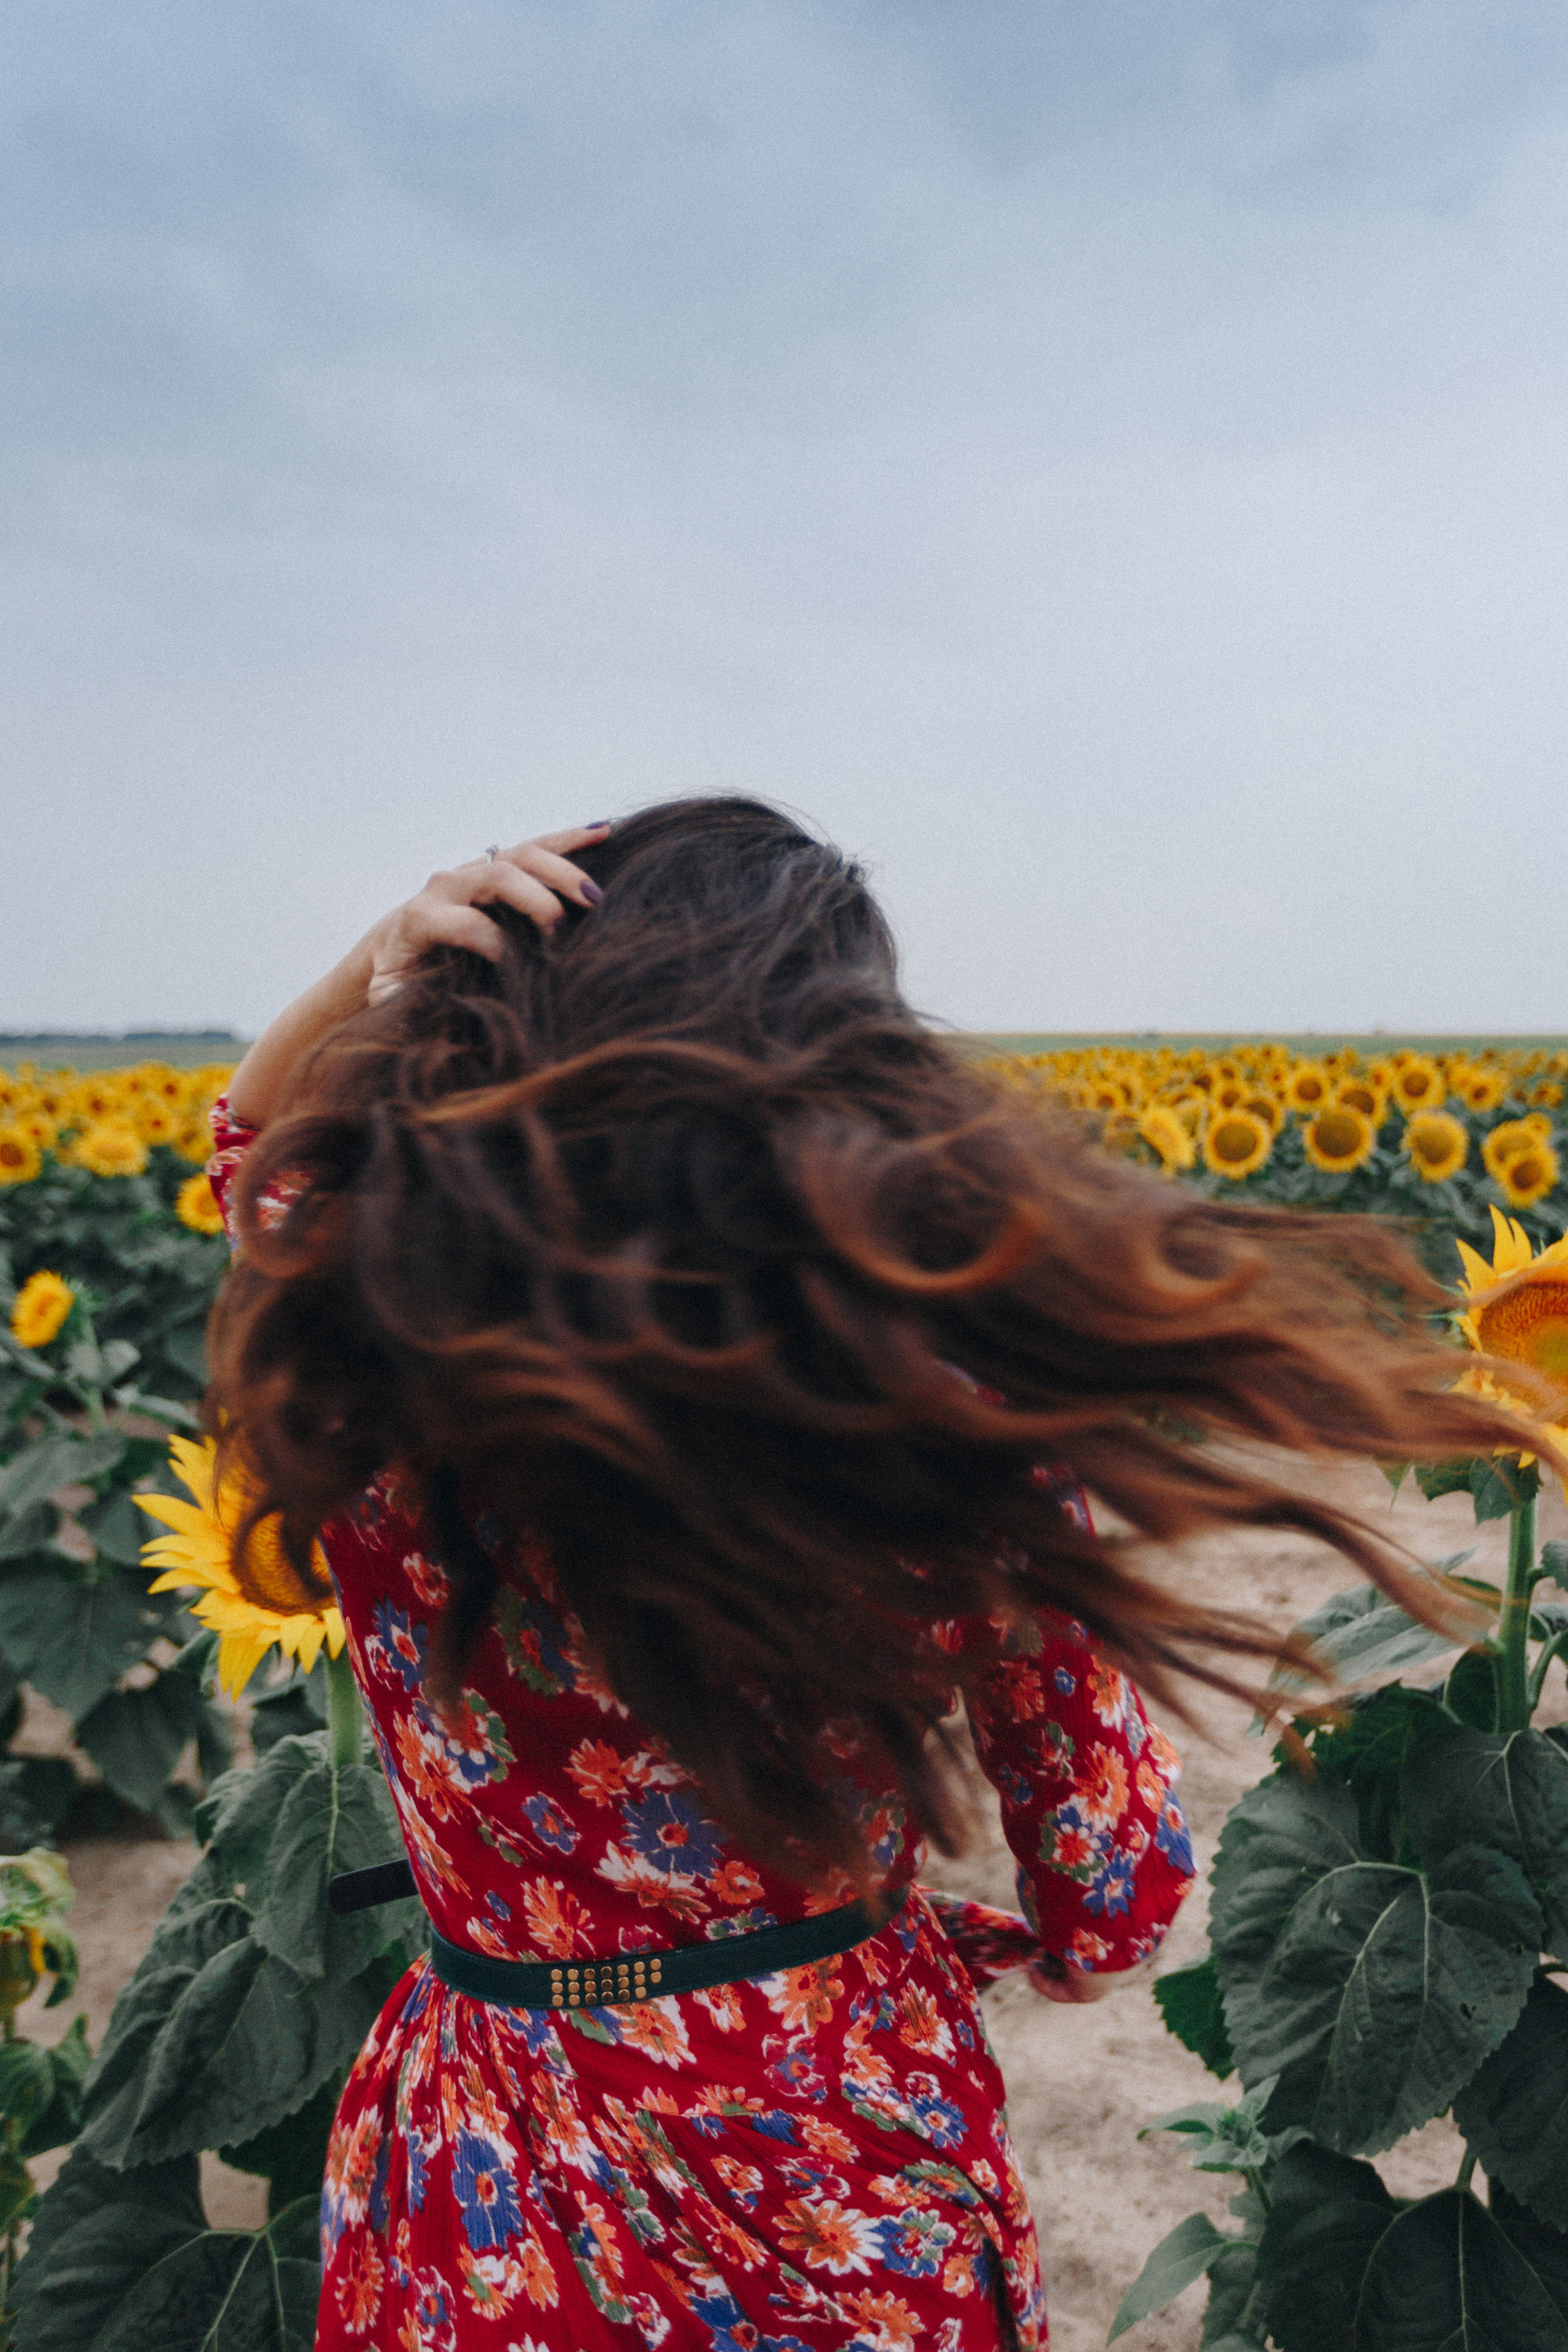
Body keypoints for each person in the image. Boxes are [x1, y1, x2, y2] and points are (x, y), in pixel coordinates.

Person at [207, 799, 1519, 2352]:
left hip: (481, 2151)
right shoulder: (946, 1444)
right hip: (825, 2161)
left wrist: (382, 947)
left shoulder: (369, 1375)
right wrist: (956, 1942)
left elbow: (250, 1147)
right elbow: (1115, 1906)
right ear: (847, 1087)